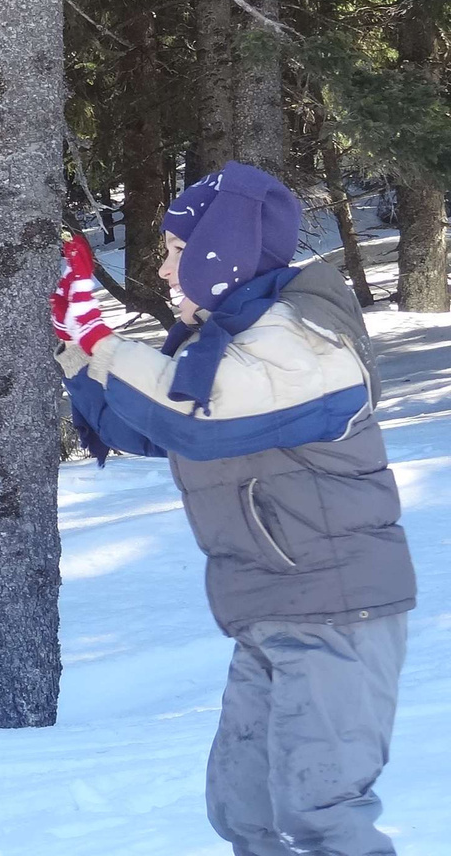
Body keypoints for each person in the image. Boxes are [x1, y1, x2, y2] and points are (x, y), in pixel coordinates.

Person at [53, 161, 416, 856]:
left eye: (176, 255)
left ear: (223, 256)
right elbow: (151, 427)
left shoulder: (304, 340)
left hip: (339, 610)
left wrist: (102, 342)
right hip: (270, 610)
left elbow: (200, 420)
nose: (162, 273)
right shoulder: (230, 344)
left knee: (321, 812)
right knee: (244, 812)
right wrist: (79, 351)